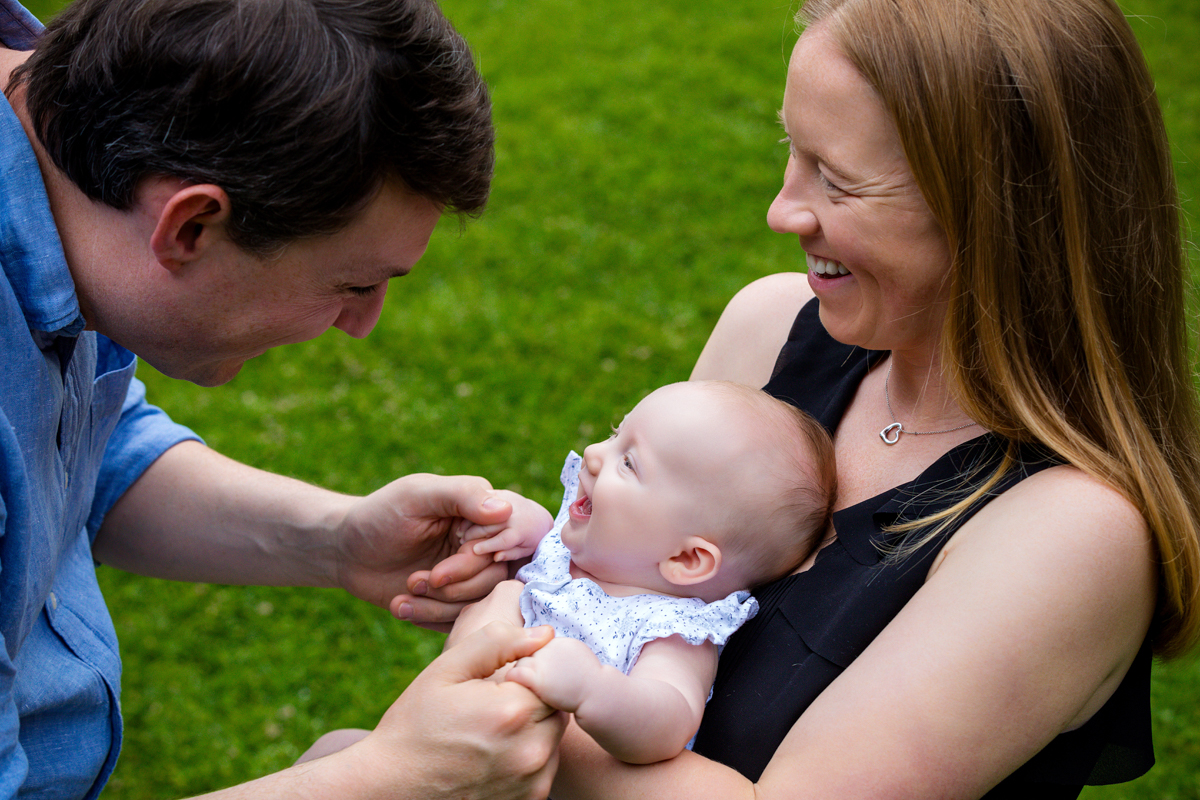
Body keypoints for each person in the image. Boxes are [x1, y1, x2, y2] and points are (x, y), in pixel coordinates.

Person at [433, 0, 1200, 796]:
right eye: (789, 150)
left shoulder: (1070, 536)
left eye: (838, 181)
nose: (783, 210)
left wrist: (498, 673)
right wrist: (516, 557)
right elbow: (619, 574)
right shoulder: (771, 326)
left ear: (1000, 215)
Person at [0, 0, 565, 797]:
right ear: (190, 226)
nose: (362, 326)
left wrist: (336, 540)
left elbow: (75, 454)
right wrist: (392, 777)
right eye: (354, 284)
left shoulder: (66, 189)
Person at [453, 381, 837, 765]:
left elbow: (669, 722)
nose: (592, 453)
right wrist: (522, 528)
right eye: (615, 434)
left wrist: (594, 691)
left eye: (629, 462)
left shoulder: (670, 630)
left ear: (686, 559)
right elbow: (535, 575)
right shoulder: (588, 547)